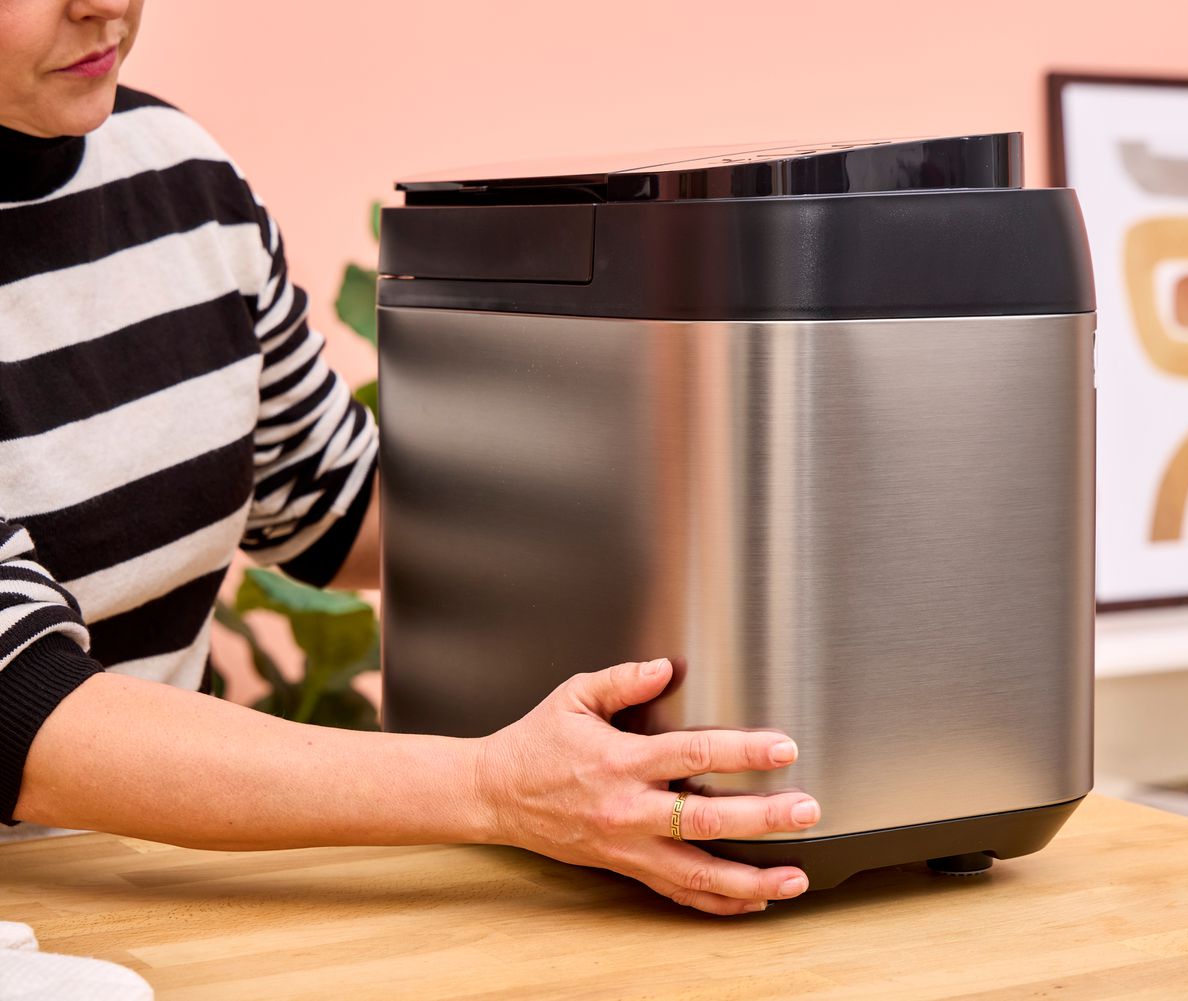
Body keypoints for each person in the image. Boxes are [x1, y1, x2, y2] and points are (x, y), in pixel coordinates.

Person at [0, 0, 819, 916]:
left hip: (151, 893)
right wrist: (495, 788)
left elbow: (336, 504)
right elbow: (21, 709)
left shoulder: (178, 176)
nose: (101, 3)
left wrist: (740, 507)